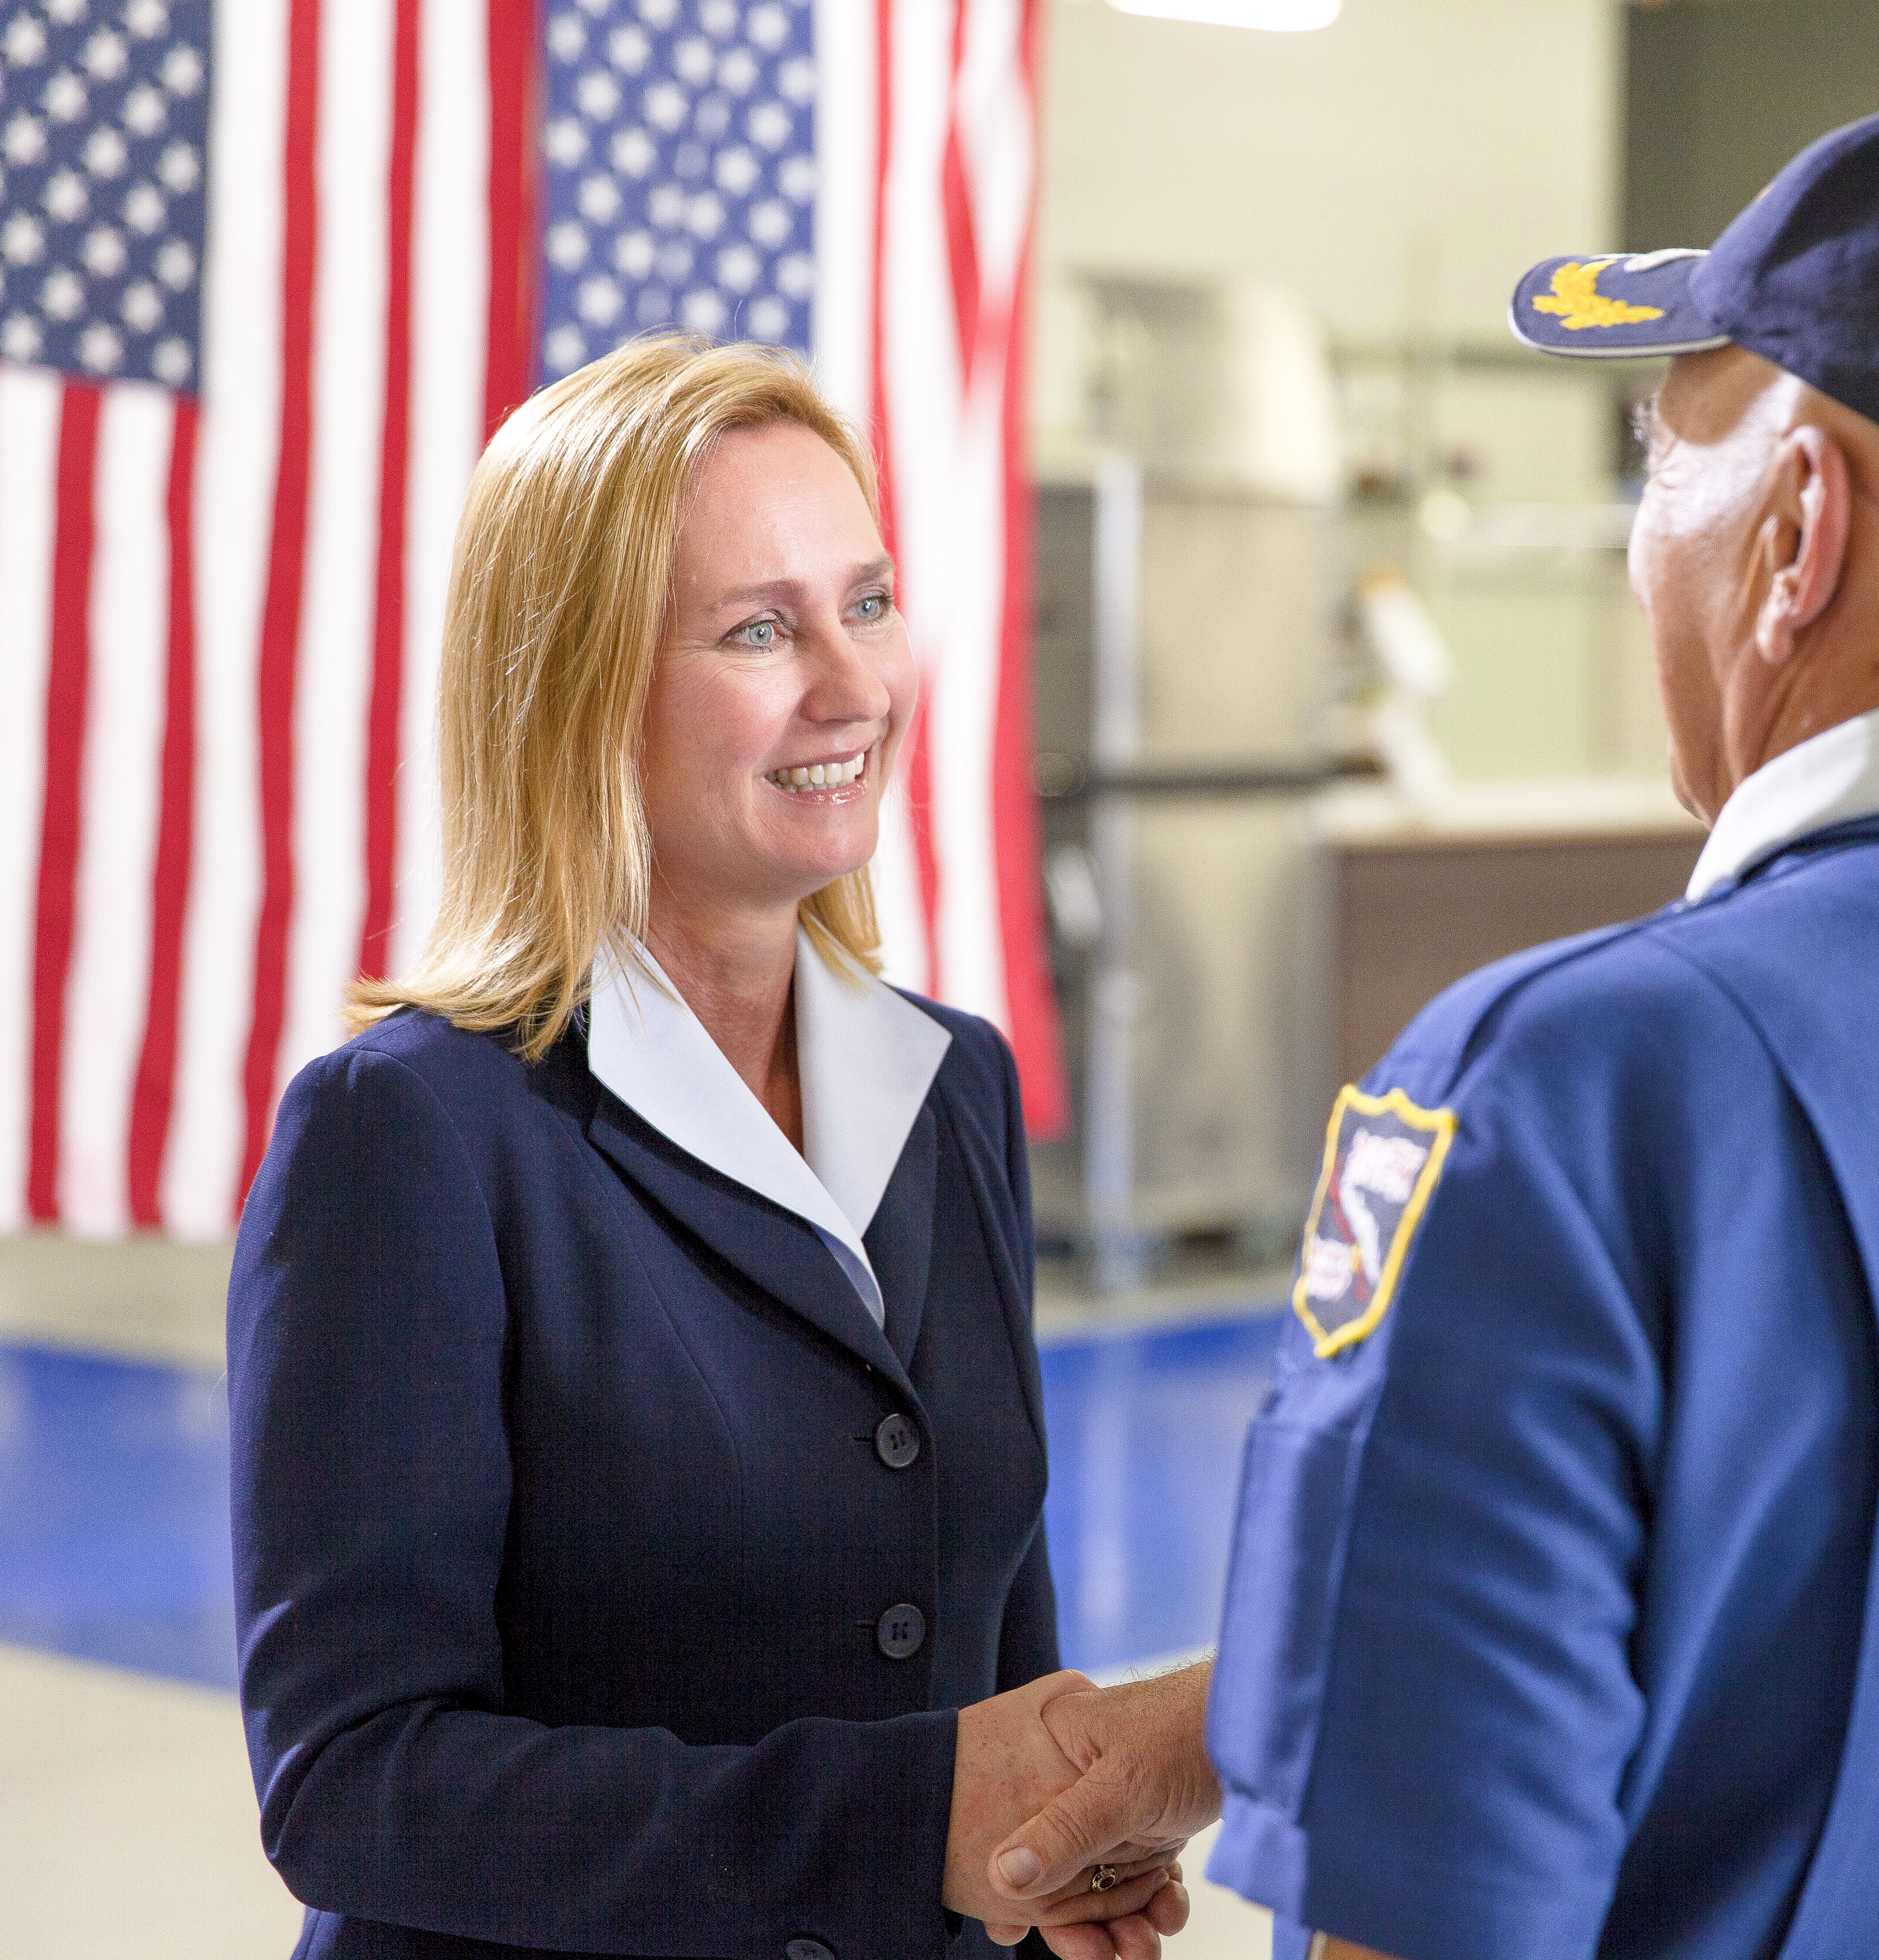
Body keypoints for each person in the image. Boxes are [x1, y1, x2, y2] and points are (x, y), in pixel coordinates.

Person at [976, 94, 1879, 1960]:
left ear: (1797, 528)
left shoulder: (1574, 1097)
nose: (1635, 553)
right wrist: (1240, 1717)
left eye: (1656, 466)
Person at [228, 336, 1186, 1960]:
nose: (854, 686)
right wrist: (904, 1823)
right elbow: (351, 1782)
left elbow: (997, 1679)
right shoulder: (411, 1136)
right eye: (761, 630)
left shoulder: (955, 1089)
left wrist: (1057, 1842)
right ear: (583, 692)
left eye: (867, 603)